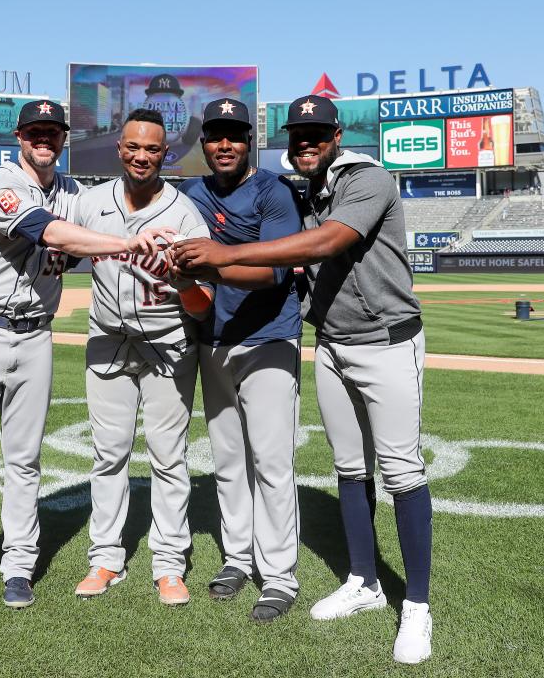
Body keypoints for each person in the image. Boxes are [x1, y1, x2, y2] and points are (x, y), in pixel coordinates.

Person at [173, 95, 435, 664]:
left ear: (337, 135)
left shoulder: (368, 179)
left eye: (317, 134)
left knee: (402, 471)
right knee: (349, 468)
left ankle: (417, 606)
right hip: (334, 345)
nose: (307, 143)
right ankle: (364, 582)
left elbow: (326, 243)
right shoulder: (305, 190)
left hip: (388, 340)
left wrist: (223, 253)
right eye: (299, 135)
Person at [0, 100, 177, 623]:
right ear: (19, 136)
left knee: (24, 461)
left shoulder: (74, 193)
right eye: (35, 131)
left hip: (35, 336)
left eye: (53, 132)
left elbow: (114, 209)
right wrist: (132, 242)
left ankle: (19, 566)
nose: (44, 140)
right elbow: (51, 233)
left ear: (63, 138)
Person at [70, 108, 214, 608]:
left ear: (165, 155)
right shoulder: (88, 204)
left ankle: (169, 565)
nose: (142, 156)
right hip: (108, 343)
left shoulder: (184, 214)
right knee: (108, 455)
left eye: (152, 149)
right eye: (133, 146)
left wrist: (183, 280)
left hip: (168, 346)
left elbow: (205, 302)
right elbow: (57, 246)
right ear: (119, 148)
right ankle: (105, 558)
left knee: (168, 458)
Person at [178, 98, 304, 622]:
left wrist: (214, 262)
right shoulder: (191, 193)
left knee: (271, 463)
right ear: (204, 143)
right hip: (214, 340)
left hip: (269, 339)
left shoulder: (273, 192)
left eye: (234, 135)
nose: (224, 145)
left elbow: (275, 272)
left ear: (248, 140)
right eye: (215, 136)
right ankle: (237, 557)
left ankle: (278, 577)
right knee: (228, 462)